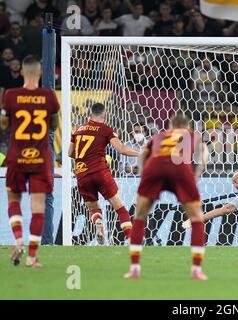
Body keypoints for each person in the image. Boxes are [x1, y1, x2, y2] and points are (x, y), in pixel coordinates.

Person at [125, 114, 208, 280]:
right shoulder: (192, 134)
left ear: (171, 126)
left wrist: (143, 174)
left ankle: (134, 268)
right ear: (186, 126)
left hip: (154, 168)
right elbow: (203, 155)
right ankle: (196, 270)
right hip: (180, 168)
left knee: (140, 216)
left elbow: (142, 156)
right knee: (197, 218)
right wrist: (197, 174)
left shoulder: (160, 136)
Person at [0, 55, 60, 267]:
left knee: (14, 201)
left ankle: (18, 240)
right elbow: (53, 124)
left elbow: (5, 124)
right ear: (41, 73)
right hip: (40, 159)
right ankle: (32, 257)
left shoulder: (11, 95)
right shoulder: (49, 96)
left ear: (23, 72)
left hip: (17, 158)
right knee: (38, 209)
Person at [68, 102, 139, 244]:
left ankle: (99, 224)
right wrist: (141, 153)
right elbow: (122, 149)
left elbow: (70, 153)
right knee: (120, 207)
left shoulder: (77, 130)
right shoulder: (105, 129)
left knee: (93, 208)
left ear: (90, 114)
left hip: (82, 174)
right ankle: (132, 240)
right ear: (105, 114)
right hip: (100, 172)